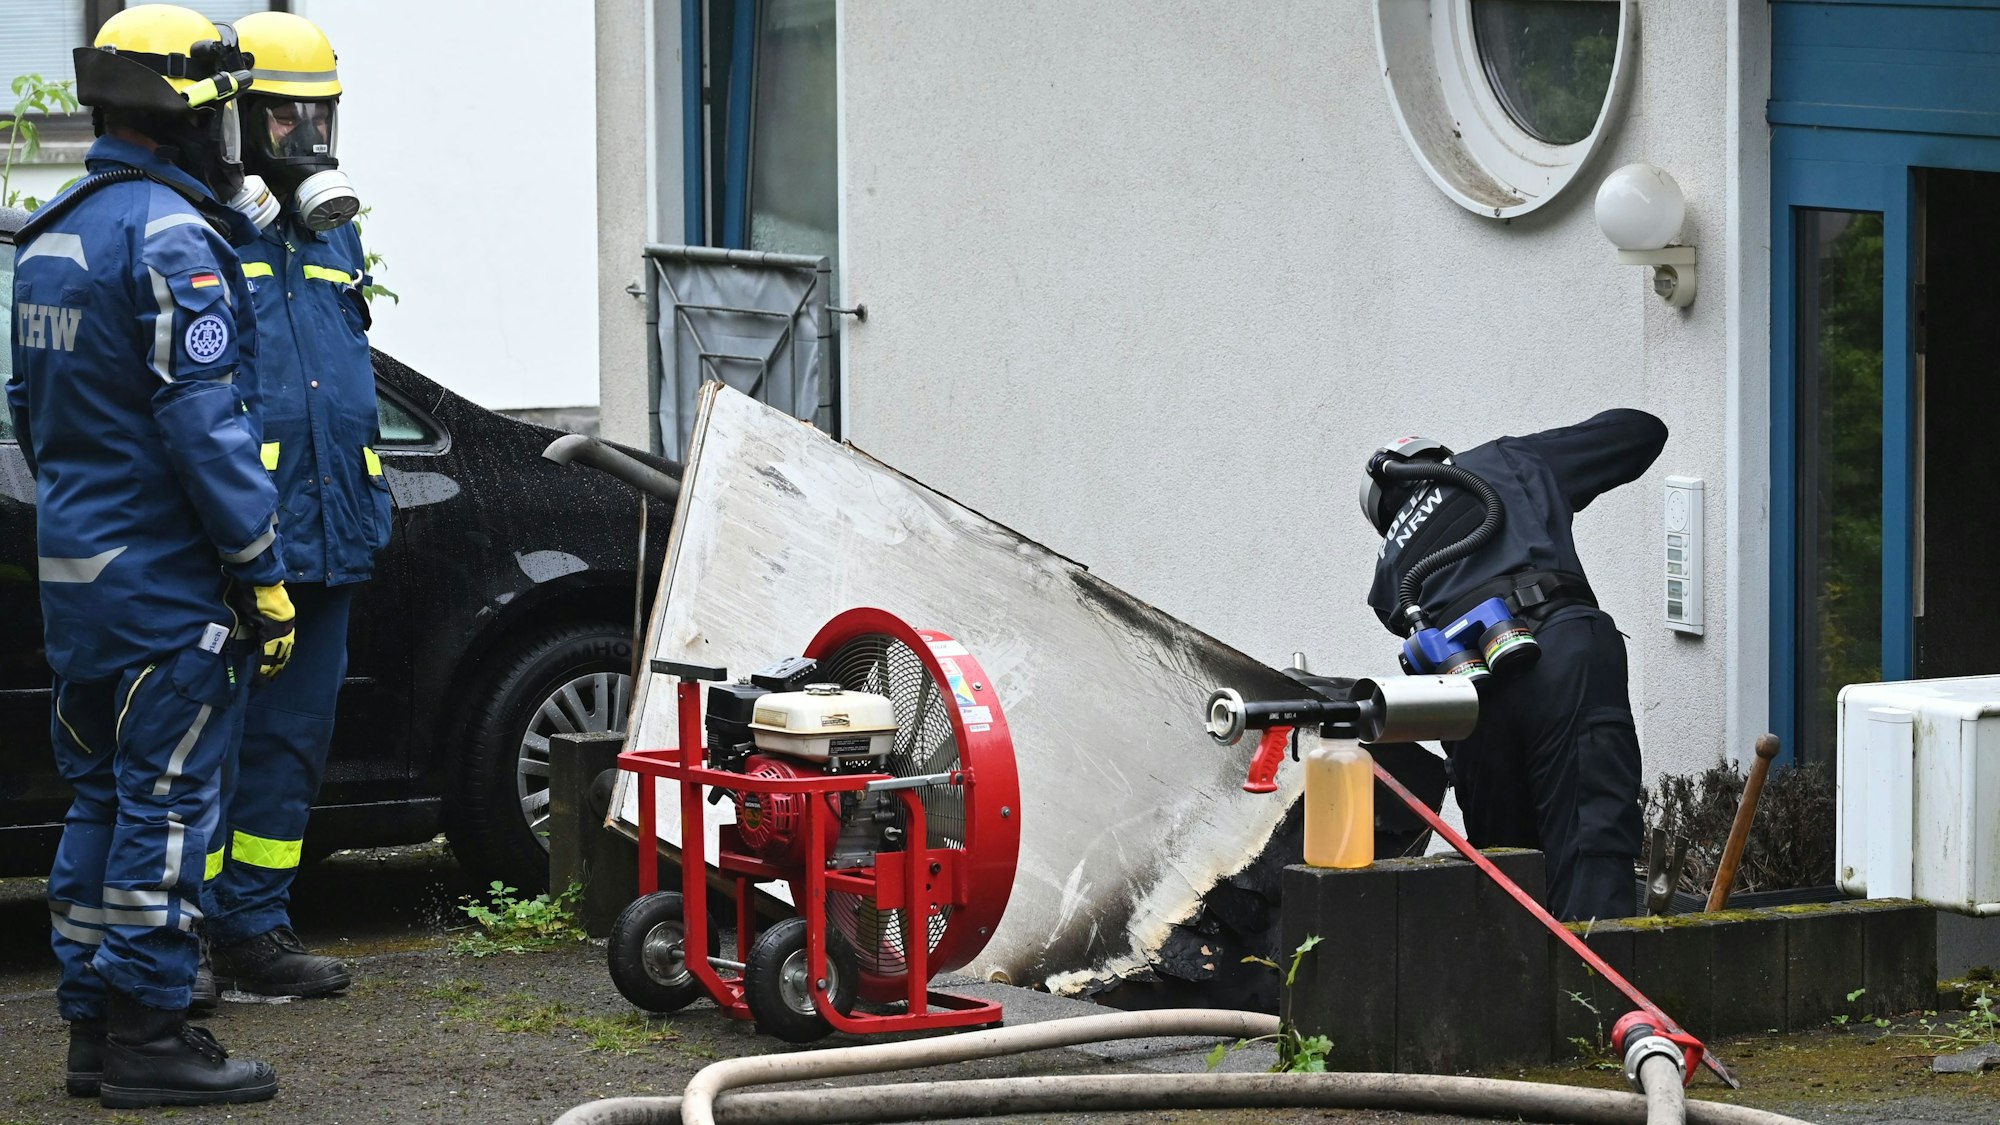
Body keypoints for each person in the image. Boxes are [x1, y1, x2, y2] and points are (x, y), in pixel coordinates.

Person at [6, 4, 299, 1107]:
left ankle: (92, 1032)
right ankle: (151, 1037)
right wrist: (261, 568)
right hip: (167, 590)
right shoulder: (171, 237)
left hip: (77, 587)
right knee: (170, 813)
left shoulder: (50, 234)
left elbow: (29, 417)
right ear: (191, 116)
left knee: (98, 807)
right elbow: (204, 426)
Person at [199, 9, 385, 1001]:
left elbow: (341, 372)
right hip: (234, 543)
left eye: (321, 116)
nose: (306, 139)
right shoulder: (195, 230)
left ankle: (255, 935)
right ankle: (180, 943)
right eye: (285, 119)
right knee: (205, 749)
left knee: (291, 743)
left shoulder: (334, 229)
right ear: (236, 121)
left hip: (328, 530)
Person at [1358, 409, 1668, 922]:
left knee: (1509, 875)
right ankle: (1597, 997)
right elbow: (1642, 432)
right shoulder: (1503, 464)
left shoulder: (1387, 579)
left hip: (1470, 697)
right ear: (1437, 461)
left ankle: (1519, 996)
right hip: (1559, 654)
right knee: (1589, 844)